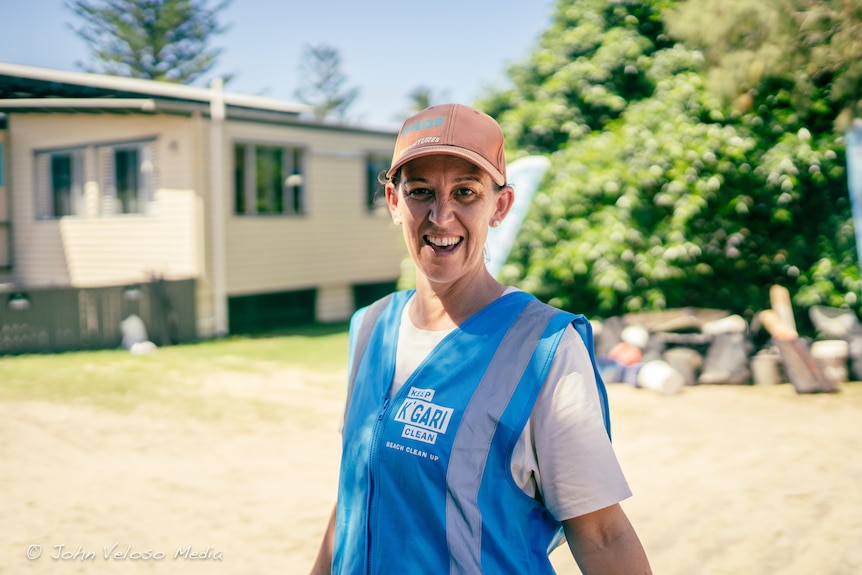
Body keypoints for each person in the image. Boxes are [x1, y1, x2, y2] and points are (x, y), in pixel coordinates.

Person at [310, 103, 652, 574]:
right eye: (421, 192)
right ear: (394, 202)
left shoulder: (542, 347)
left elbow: (602, 534)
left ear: (501, 206)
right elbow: (357, 491)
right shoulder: (370, 326)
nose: (441, 215)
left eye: (466, 192)